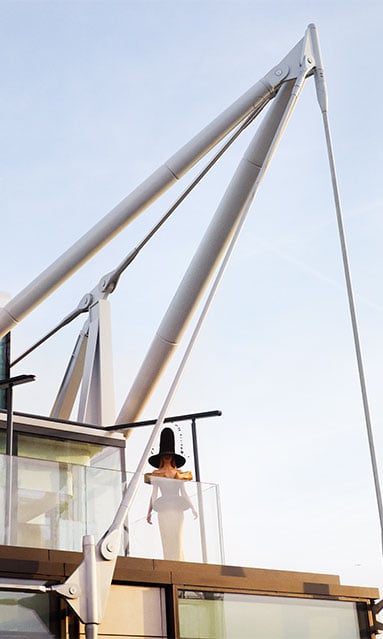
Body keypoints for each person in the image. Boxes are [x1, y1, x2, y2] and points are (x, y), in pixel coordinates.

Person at [145, 427, 197, 560]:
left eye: (169, 454)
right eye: (165, 454)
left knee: (177, 539)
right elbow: (154, 494)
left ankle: (179, 564)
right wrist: (149, 512)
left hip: (177, 510)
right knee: (166, 539)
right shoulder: (157, 474)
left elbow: (184, 493)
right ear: (161, 456)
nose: (167, 456)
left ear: (173, 456)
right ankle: (169, 563)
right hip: (163, 510)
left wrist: (193, 508)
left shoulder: (179, 473)